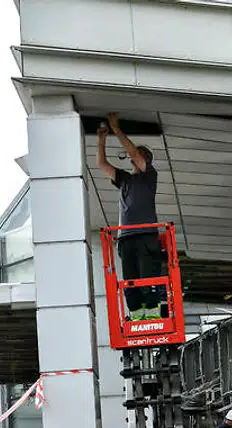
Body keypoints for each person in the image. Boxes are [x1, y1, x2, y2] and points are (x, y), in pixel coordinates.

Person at [96, 112, 164, 321]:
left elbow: (133, 153)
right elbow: (103, 165)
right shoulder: (125, 179)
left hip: (145, 236)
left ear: (146, 160)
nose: (134, 155)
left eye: (140, 154)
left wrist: (116, 129)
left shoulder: (149, 175)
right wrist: (102, 139)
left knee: (147, 278)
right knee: (131, 281)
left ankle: (152, 317)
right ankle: (137, 317)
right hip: (126, 238)